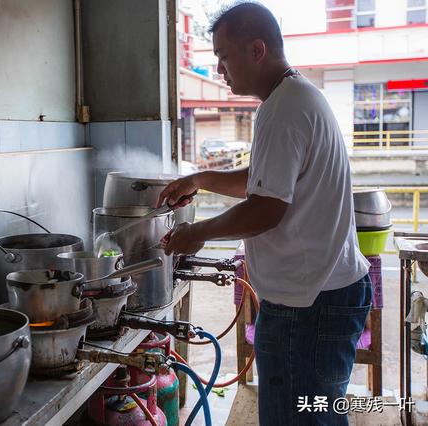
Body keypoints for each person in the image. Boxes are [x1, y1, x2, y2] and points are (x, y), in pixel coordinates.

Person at [157, 2, 371, 425]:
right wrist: (200, 178)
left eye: (224, 57)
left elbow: (267, 209)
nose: (220, 69)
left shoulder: (284, 108)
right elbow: (264, 179)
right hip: (319, 294)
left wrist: (197, 232)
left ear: (257, 50)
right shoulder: (294, 97)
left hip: (309, 304)